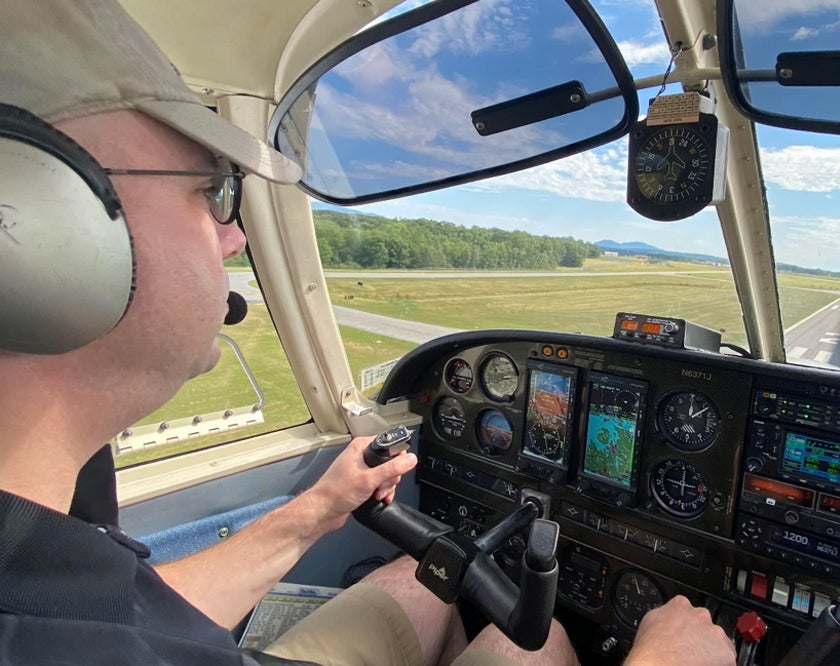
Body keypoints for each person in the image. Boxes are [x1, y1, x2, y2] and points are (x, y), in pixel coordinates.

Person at [0, 1, 737, 665]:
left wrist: (319, 509)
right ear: (34, 221)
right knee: (532, 648)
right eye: (209, 190)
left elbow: (129, 614)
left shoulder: (42, 554)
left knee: (416, 583)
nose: (233, 240)